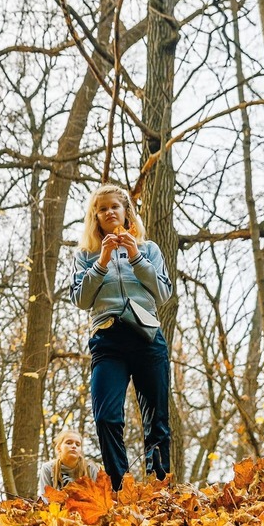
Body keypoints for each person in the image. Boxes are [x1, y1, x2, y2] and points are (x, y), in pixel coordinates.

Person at [71, 184, 173, 490]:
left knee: (156, 420)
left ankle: (159, 489)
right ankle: (120, 488)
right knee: (106, 417)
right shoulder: (86, 255)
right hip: (108, 340)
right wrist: (101, 262)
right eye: (102, 209)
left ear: (126, 211)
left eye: (114, 206)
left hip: (147, 337)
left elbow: (164, 292)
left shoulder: (149, 249)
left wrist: (135, 257)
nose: (109, 212)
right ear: (96, 217)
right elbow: (80, 298)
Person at [37, 429, 100, 500]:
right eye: (69, 443)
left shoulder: (91, 468)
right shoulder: (48, 468)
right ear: (59, 448)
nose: (74, 446)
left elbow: (98, 497)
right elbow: (45, 498)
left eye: (78, 444)